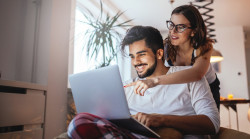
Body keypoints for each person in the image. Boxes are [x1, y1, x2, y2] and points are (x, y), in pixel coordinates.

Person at [67, 26, 219, 139]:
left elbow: (212, 124)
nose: (136, 62)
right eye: (132, 56)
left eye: (141, 55)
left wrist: (161, 119)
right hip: (130, 136)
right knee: (79, 121)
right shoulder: (126, 87)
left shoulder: (189, 78)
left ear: (159, 53)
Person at [124, 5, 221, 110]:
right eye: (171, 25)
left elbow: (197, 74)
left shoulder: (202, 47)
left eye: (180, 27)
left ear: (193, 31)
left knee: (209, 120)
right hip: (186, 86)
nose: (173, 31)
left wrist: (154, 81)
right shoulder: (166, 47)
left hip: (209, 86)